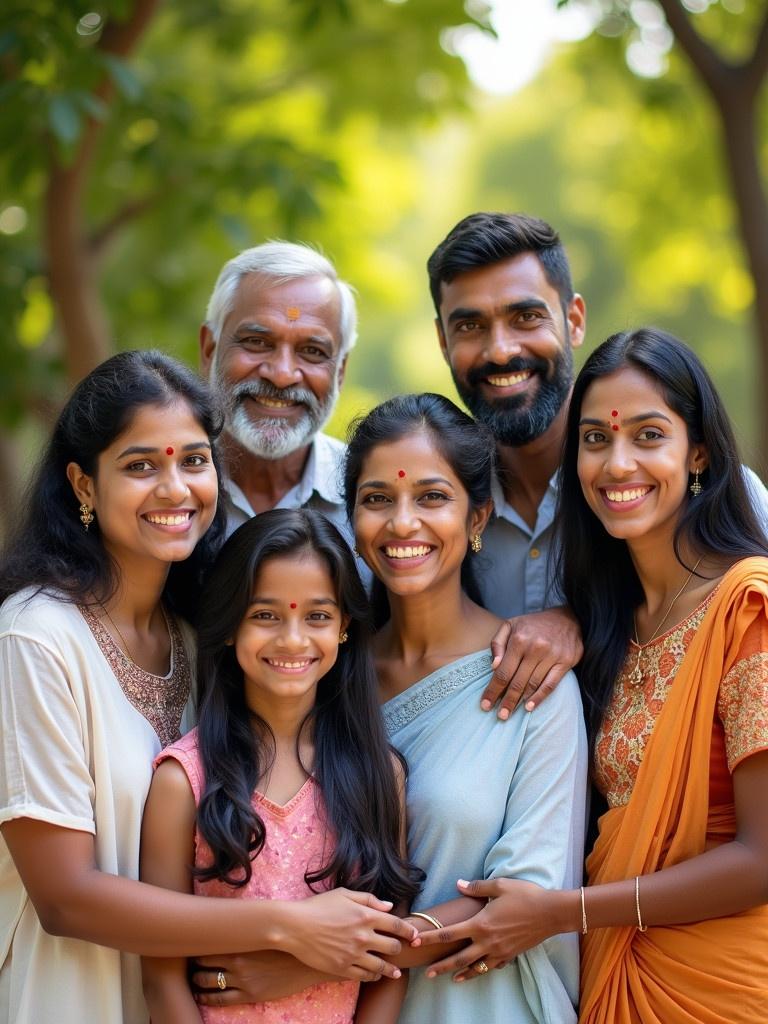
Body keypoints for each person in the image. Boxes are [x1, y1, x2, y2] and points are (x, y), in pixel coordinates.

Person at [0, 351, 416, 1024]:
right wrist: (290, 929)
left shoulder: (198, 638)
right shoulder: (36, 636)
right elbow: (65, 899)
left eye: (194, 460)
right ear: (83, 484)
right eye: (141, 465)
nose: (174, 487)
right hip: (77, 998)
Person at [415, 328, 768, 1023]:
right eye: (596, 440)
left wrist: (559, 912)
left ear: (698, 450)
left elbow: (763, 859)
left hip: (728, 987)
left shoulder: (747, 607)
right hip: (619, 981)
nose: (618, 464)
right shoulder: (614, 625)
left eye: (647, 435)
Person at [426, 212, 768, 716]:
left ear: (575, 319)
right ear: (442, 342)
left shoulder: (717, 495)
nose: (501, 350)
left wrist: (575, 621)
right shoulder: (432, 515)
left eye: (526, 317)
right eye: (471, 326)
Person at [345, 393, 587, 1022]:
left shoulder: (533, 683)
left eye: (431, 497)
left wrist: (314, 955)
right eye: (378, 499)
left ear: (477, 518)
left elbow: (519, 900)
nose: (402, 523)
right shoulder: (325, 678)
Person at [141, 508, 423, 1024]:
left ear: (343, 627)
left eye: (317, 615)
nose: (293, 640)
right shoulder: (183, 780)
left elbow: (389, 961)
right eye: (265, 615)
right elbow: (160, 976)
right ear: (228, 626)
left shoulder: (380, 776)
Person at [199, 241, 357, 544]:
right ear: (209, 349)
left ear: (339, 371)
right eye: (257, 342)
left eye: (312, 351)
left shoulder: (372, 496)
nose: (282, 375)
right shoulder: (165, 490)